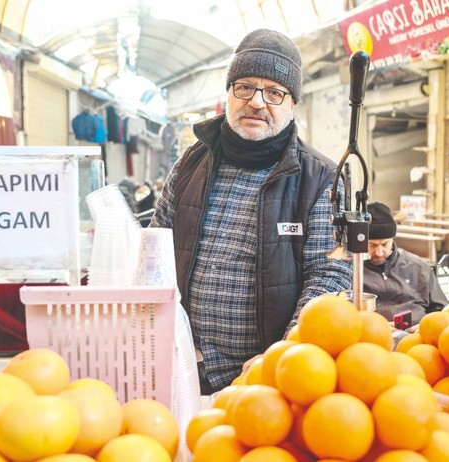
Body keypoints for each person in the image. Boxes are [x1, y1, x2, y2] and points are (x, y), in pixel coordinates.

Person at [150, 29, 352, 394]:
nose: (257, 102)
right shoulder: (190, 165)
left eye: (274, 92)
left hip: (260, 381)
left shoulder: (320, 179)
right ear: (228, 94)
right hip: (177, 362)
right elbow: (154, 252)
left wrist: (283, 354)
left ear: (292, 104)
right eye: (244, 87)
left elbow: (329, 277)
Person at [363, 202, 448, 327]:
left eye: (385, 244)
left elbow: (442, 310)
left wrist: (424, 328)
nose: (379, 252)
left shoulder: (418, 267)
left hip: (416, 335)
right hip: (373, 334)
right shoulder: (353, 270)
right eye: (372, 245)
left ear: (393, 239)